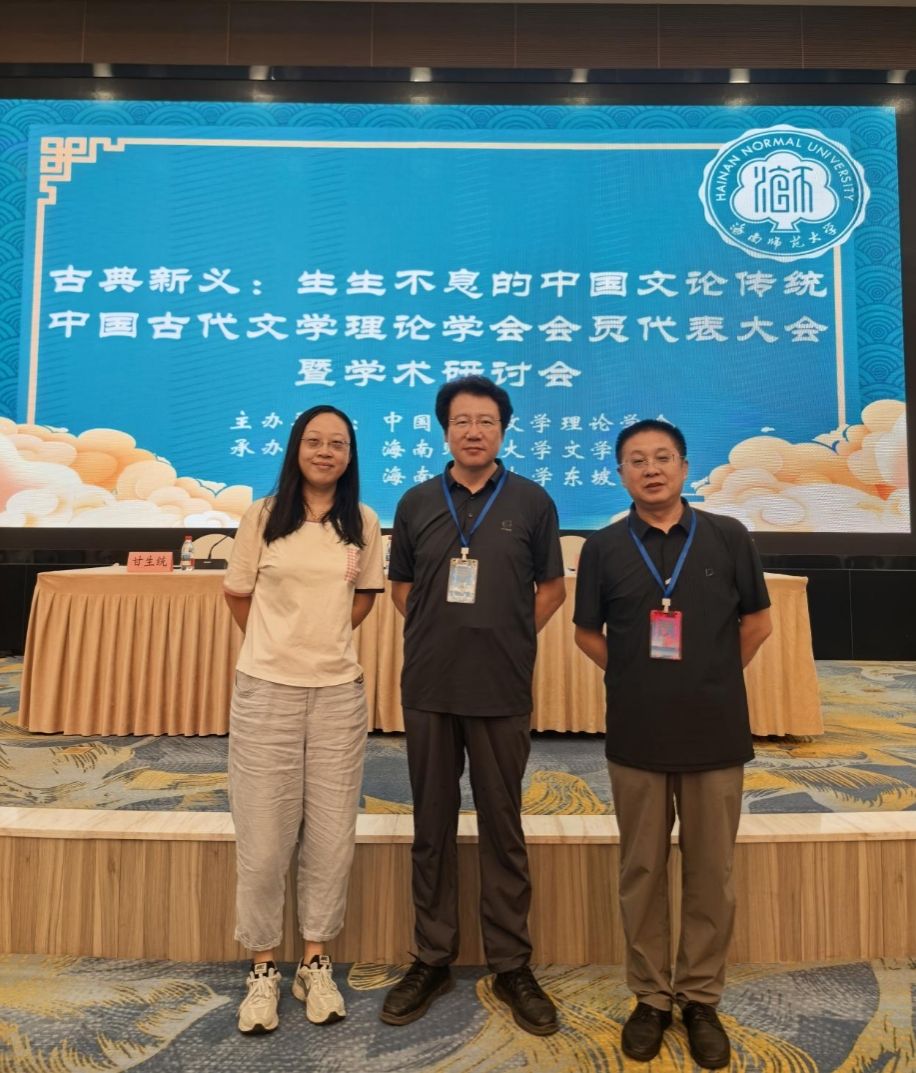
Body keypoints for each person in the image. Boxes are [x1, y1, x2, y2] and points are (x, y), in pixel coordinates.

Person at [573, 419, 772, 1070]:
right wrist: (635, 677)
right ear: (621, 474)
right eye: (636, 460)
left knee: (711, 873)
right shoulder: (603, 547)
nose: (651, 469)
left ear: (685, 467)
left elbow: (757, 621)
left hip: (715, 731)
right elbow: (586, 633)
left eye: (662, 457)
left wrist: (712, 677)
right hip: (637, 733)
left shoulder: (728, 536)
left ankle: (700, 998)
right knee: (642, 871)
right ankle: (652, 997)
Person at [381, 376, 566, 1036]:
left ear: (503, 429)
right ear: (445, 430)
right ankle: (432, 957)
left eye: (486, 421)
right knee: (430, 825)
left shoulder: (532, 501)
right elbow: (401, 586)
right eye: (462, 421)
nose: (474, 431)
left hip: (500, 689)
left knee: (502, 826)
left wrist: (505, 635)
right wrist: (445, 631)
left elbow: (551, 589)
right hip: (430, 687)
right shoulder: (416, 501)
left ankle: (511, 962)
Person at [223, 404, 384, 1034]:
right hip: (267, 692)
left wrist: (324, 638)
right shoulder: (262, 516)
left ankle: (314, 960)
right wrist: (277, 645)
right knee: (264, 841)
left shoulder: (362, 521)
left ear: (350, 455)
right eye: (314, 441)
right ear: (296, 449)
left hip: (339, 695)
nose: (325, 452)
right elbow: (238, 594)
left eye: (337, 443)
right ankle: (263, 965)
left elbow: (365, 596)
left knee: (330, 838)